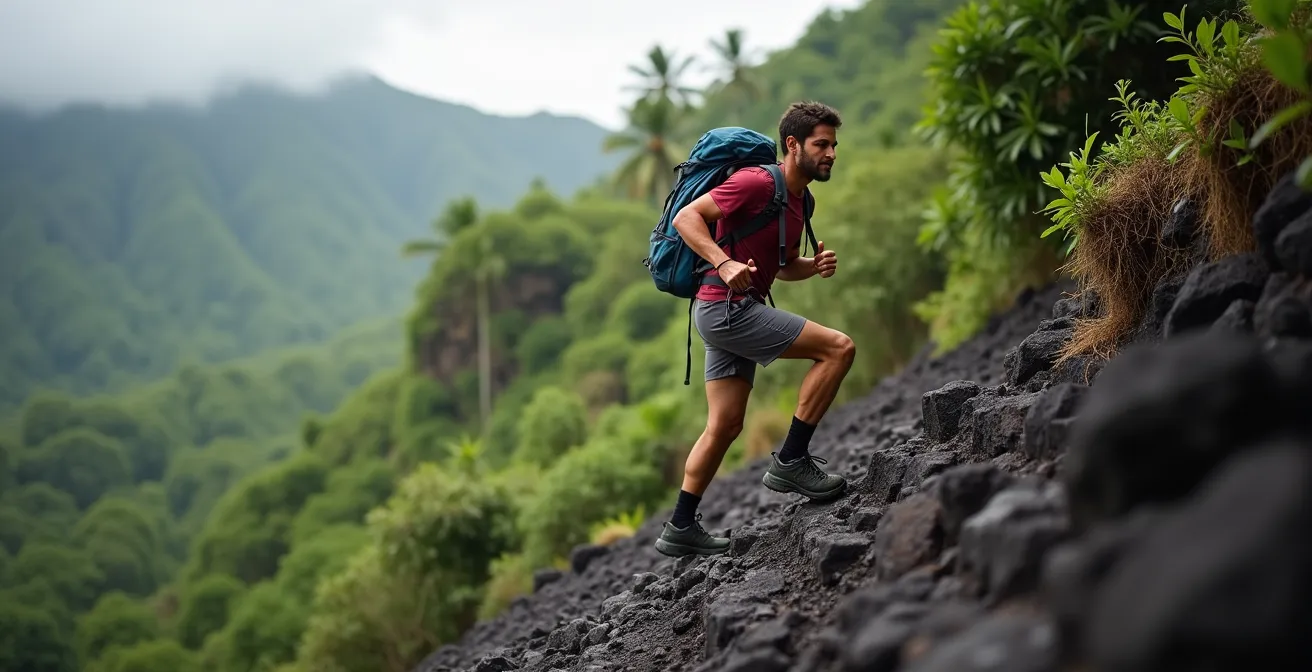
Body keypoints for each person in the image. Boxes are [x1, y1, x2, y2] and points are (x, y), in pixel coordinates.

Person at [654, 101, 856, 558]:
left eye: (833, 146)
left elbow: (783, 266)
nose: (830, 153)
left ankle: (680, 526)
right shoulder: (756, 182)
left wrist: (813, 266)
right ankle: (792, 459)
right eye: (821, 145)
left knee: (724, 424)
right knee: (838, 349)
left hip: (731, 310)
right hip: (725, 309)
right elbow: (687, 219)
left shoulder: (802, 200)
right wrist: (723, 262)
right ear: (793, 144)